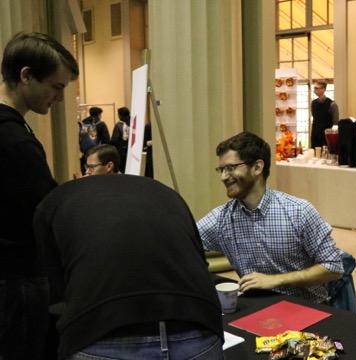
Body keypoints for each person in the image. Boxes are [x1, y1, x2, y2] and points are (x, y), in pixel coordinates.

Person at [33, 175, 224, 360]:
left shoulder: (52, 204)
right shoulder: (164, 193)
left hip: (100, 334)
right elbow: (198, 258)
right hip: (197, 326)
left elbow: (58, 283)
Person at [0, 31, 79, 360]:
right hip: (16, 280)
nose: (59, 98)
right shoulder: (14, 139)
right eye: (56, 87)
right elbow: (46, 210)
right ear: (26, 76)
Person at [197, 132, 344, 304]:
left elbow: (334, 267)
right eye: (221, 170)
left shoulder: (298, 212)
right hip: (255, 309)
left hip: (308, 309)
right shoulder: (220, 219)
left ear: (258, 167)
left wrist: (276, 280)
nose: (223, 177)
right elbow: (182, 242)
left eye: (230, 168)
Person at [79, 106, 110, 174]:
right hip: (98, 151)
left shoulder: (83, 123)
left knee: (86, 170)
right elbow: (106, 139)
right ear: (99, 114)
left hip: (85, 152)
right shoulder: (101, 124)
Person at [310, 81, 339, 148]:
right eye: (314, 88)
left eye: (316, 88)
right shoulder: (313, 103)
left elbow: (335, 124)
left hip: (327, 136)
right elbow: (315, 118)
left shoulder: (332, 104)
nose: (315, 90)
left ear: (323, 89)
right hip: (315, 135)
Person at [110, 106, 130, 171]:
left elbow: (114, 140)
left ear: (120, 115)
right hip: (130, 151)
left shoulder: (118, 126)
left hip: (121, 151)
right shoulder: (131, 124)